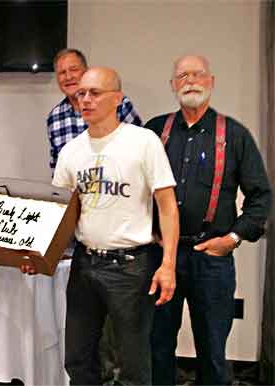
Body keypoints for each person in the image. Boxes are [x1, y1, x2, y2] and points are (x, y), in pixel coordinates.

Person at [146, 55, 272, 386]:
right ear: (173, 85)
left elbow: (261, 197)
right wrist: (149, 231)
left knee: (213, 350)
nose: (190, 81)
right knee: (156, 346)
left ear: (211, 81)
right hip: (161, 258)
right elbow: (136, 191)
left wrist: (232, 239)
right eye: (182, 75)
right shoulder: (153, 131)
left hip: (211, 261)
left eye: (198, 74)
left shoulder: (235, 134)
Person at [51, 67, 179, 385]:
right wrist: (39, 256)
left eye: (95, 93)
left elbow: (167, 207)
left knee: (133, 366)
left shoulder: (143, 142)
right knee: (78, 361)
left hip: (131, 268)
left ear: (117, 98)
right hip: (84, 264)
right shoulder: (71, 151)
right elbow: (59, 212)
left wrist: (168, 265)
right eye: (81, 94)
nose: (86, 100)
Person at [47, 48, 142, 171]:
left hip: (118, 185)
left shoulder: (116, 103)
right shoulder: (54, 118)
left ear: (86, 72)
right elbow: (57, 165)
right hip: (75, 188)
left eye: (74, 70)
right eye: (62, 73)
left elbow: (139, 147)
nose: (68, 77)